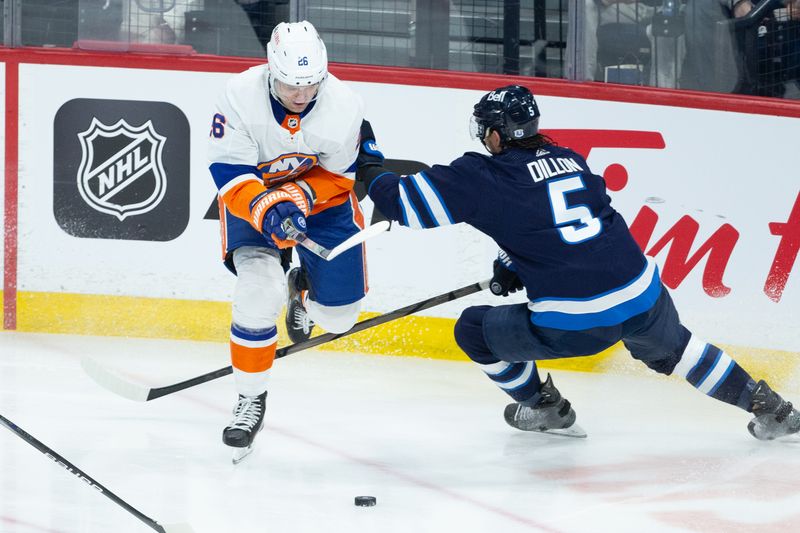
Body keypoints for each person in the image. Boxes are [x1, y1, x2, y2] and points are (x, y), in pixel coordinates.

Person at [356, 85, 800, 440]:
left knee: (473, 331)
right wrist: (513, 259)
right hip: (642, 292)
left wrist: (370, 166)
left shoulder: (484, 175)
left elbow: (405, 204)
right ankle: (772, 408)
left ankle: (544, 407)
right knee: (680, 349)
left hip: (577, 322)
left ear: (494, 135)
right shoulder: (570, 159)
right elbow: (568, 226)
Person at [208, 20, 367, 462]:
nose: (301, 95)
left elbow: (339, 177)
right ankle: (250, 398)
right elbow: (228, 173)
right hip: (252, 196)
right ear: (270, 70)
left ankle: (302, 290)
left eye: (311, 84)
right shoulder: (238, 96)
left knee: (339, 319)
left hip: (322, 202)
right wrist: (268, 207)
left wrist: (297, 197)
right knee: (258, 291)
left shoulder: (344, 105)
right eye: (290, 85)